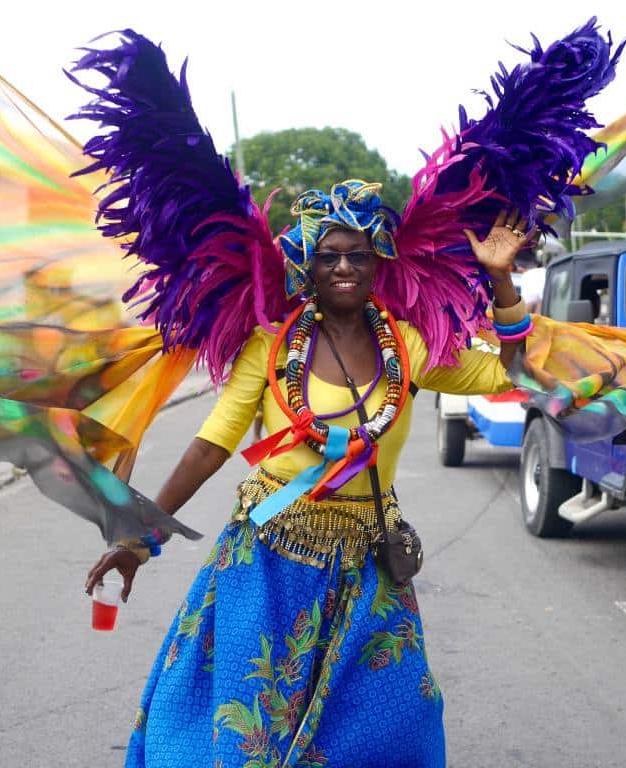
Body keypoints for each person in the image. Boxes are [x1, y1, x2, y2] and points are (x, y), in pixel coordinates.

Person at [85, 195, 533, 767]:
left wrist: (501, 280)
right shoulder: (270, 344)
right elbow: (210, 446)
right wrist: (136, 540)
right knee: (248, 729)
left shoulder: (410, 345)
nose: (344, 268)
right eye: (329, 257)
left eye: (358, 256)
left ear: (379, 264)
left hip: (368, 563)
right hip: (269, 559)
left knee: (392, 726)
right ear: (307, 266)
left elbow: (506, 369)